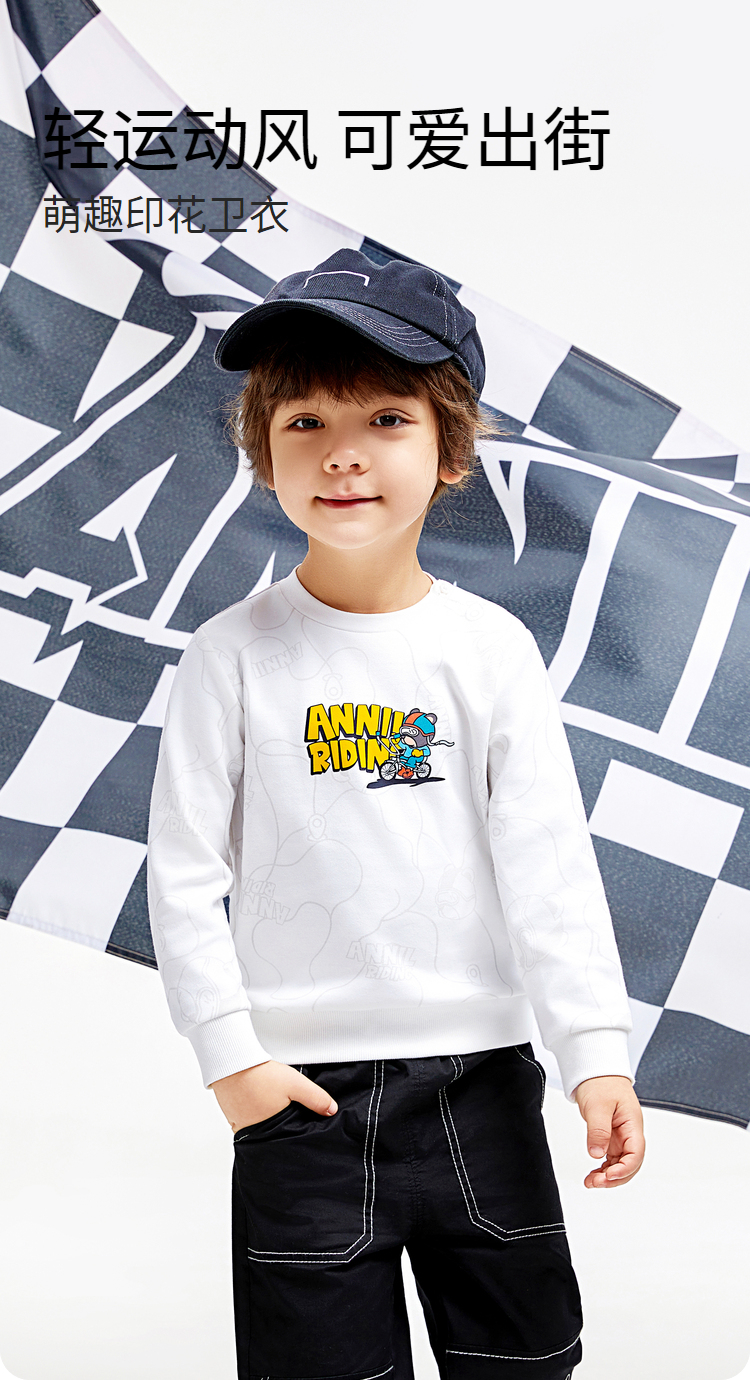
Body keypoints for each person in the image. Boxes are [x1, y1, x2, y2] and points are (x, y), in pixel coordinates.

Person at [147, 247, 645, 1380]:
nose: (343, 454)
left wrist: (595, 1055)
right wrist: (232, 1063)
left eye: (385, 419)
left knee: (523, 1359)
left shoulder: (488, 649)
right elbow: (181, 874)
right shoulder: (230, 656)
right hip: (304, 1103)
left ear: (449, 449)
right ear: (264, 453)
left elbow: (549, 866)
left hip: (483, 1085)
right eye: (307, 423)